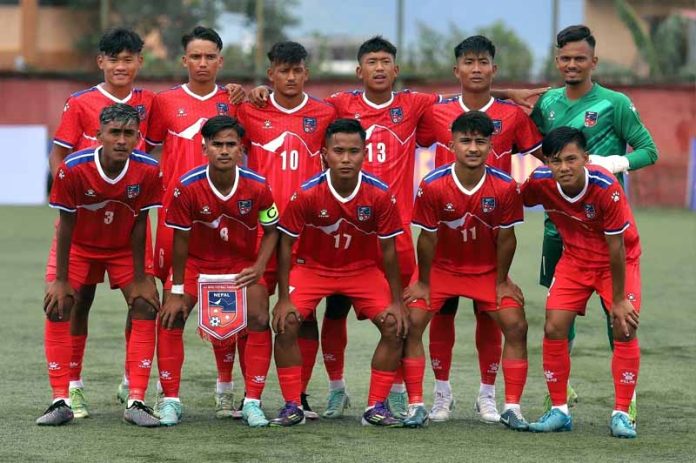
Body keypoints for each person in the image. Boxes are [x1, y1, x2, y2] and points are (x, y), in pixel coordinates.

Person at [249, 35, 546, 420]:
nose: (378, 68)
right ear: (359, 70)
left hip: (397, 229)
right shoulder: (338, 105)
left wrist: (506, 93)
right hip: (339, 229)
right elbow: (292, 98)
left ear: (396, 69)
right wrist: (257, 90)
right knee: (332, 311)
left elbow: (469, 94)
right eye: (371, 62)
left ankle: (401, 393)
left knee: (404, 313)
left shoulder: (416, 104)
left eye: (385, 61)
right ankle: (332, 389)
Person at [530, 25, 657, 420]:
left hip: (606, 220)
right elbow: (534, 142)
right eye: (565, 58)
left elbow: (650, 150)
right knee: (558, 317)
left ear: (593, 62)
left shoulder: (614, 103)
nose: (572, 64)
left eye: (579, 58)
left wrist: (615, 162)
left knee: (615, 316)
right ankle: (559, 394)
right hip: (560, 228)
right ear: (557, 61)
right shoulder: (548, 102)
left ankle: (624, 401)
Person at [415, 35, 543, 423]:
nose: (475, 69)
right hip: (446, 225)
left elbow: (543, 155)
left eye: (482, 63)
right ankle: (441, 394)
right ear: (456, 70)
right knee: (443, 311)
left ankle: (488, 396)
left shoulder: (514, 116)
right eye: (468, 63)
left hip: (492, 225)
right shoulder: (435, 111)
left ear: (493, 69)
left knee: (490, 315)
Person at [46, 28, 155, 418]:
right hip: (85, 215)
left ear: (140, 62)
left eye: (129, 59)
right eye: (114, 59)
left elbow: (185, 126)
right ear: (101, 62)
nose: (121, 66)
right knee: (77, 301)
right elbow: (58, 154)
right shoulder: (80, 102)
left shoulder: (150, 102)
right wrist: (71, 190)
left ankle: (133, 383)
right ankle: (71, 388)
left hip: (126, 220)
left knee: (142, 301)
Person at [272, 118, 408, 427]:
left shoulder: (380, 195)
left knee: (396, 325)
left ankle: (376, 407)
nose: (346, 159)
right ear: (324, 154)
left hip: (361, 271)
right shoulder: (306, 194)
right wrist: (282, 298)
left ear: (365, 153)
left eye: (353, 151)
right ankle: (292, 404)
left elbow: (389, 251)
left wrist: (398, 301)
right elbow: (285, 246)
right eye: (338, 151)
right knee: (286, 322)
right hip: (312, 269)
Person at [403, 111, 528, 430]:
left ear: (491, 146)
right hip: (442, 270)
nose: (473, 148)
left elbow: (507, 238)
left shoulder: (504, 186)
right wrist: (423, 282)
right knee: (413, 320)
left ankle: (504, 403)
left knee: (515, 324)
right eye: (466, 141)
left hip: (485, 271)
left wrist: (502, 281)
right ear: (452, 144)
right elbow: (427, 239)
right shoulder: (432, 184)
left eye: (480, 142)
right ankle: (424, 400)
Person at [146, 26, 246, 419]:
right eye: (195, 57)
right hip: (176, 221)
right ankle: (165, 391)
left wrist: (252, 92)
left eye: (210, 57)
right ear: (183, 61)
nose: (202, 63)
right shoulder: (164, 102)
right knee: (171, 306)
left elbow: (246, 148)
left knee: (227, 307)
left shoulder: (233, 101)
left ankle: (225, 390)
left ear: (220, 61)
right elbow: (149, 147)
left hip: (225, 222)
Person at [235, 40, 336, 418]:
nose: (290, 77)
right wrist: (241, 93)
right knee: (257, 316)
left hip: (306, 231)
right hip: (259, 229)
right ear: (270, 74)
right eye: (283, 70)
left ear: (306, 74)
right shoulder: (250, 110)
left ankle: (301, 394)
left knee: (303, 317)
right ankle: (252, 397)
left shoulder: (325, 113)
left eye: (297, 71)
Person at [158, 116, 279, 427]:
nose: (224, 151)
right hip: (197, 264)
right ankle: (170, 399)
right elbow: (180, 240)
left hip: (239, 265)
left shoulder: (258, 186)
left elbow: (272, 229)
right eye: (217, 144)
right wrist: (176, 290)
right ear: (204, 148)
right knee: (171, 314)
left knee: (259, 317)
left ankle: (252, 401)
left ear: (241, 149)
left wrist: (259, 266)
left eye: (231, 144)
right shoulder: (187, 186)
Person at [523, 127, 641, 439]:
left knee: (624, 326)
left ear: (585, 158)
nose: (564, 167)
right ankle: (559, 410)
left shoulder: (605, 186)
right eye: (556, 160)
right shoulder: (540, 182)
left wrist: (618, 300)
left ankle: (622, 413)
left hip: (617, 261)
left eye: (571, 159)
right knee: (554, 326)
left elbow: (616, 247)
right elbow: (511, 202)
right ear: (547, 162)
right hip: (575, 259)